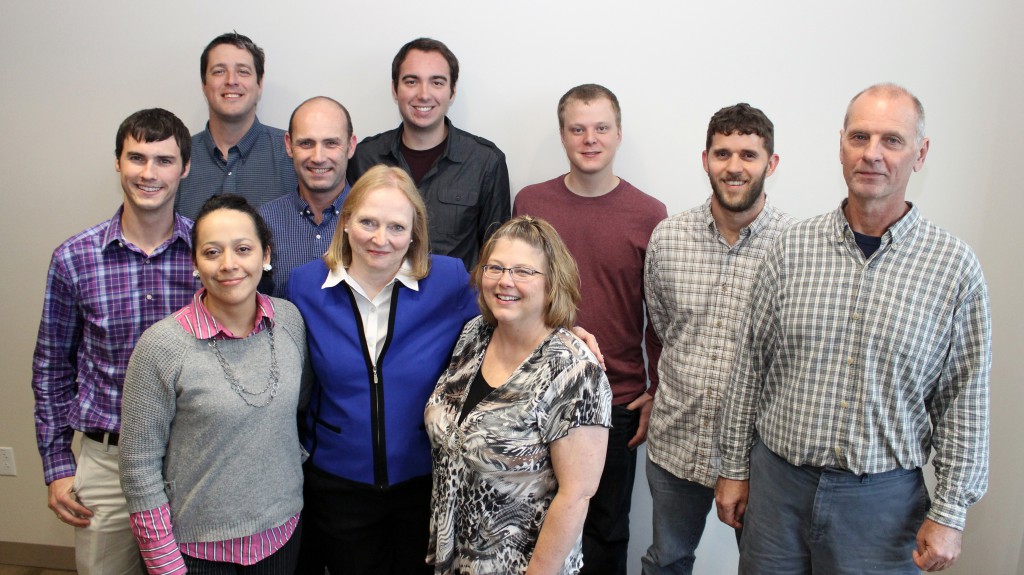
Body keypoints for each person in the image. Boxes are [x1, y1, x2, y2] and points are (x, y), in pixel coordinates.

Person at [716, 84, 991, 574]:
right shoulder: (790, 249)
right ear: (841, 144)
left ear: (920, 154)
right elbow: (748, 369)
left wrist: (950, 512)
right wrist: (734, 469)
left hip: (882, 507)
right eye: (859, 137)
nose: (872, 155)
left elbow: (964, 399)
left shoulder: (954, 269)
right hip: (778, 490)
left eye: (892, 140)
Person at [287, 165, 478, 575]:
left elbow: (510, 323)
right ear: (345, 222)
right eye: (368, 222)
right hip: (338, 485)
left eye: (396, 226)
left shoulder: (448, 280)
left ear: (414, 233)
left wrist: (568, 336)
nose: (380, 238)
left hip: (424, 482)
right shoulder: (303, 285)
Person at [31, 108, 198, 574]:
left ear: (184, 167)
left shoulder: (208, 255)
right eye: (136, 158)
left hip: (192, 457)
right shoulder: (74, 258)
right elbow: (51, 367)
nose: (149, 173)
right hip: (109, 462)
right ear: (117, 162)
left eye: (164, 160)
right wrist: (58, 464)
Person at [513, 83, 666, 575]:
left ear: (618, 134)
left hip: (615, 400)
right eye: (577, 129)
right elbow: (510, 295)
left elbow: (658, 313)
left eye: (601, 128)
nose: (590, 139)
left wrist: (655, 387)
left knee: (606, 531)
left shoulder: (650, 214)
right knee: (535, 529)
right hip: (535, 395)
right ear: (563, 135)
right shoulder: (532, 202)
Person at [641, 103, 795, 574]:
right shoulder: (668, 238)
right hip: (675, 442)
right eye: (722, 153)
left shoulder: (797, 247)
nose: (734, 167)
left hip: (758, 454)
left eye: (748, 155)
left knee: (764, 566)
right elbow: (664, 326)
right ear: (705, 159)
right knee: (666, 559)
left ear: (771, 164)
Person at [119, 194, 310, 574]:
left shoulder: (290, 321)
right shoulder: (162, 346)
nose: (229, 265)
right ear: (194, 262)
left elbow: (295, 411)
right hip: (196, 553)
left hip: (282, 537)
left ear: (265, 255)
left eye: (243, 249)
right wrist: (164, 564)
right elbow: (138, 466)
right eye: (211, 252)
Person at [425, 215, 612, 575]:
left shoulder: (575, 372)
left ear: (552, 283)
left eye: (523, 271)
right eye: (495, 267)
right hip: (456, 557)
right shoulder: (475, 335)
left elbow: (575, 496)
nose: (505, 281)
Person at [350, 37, 511, 271]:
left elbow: (497, 255)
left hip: (454, 304)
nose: (424, 94)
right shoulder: (364, 157)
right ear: (395, 89)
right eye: (411, 81)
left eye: (436, 82)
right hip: (375, 301)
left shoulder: (486, 162)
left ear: (452, 91)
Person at [176, 32, 296, 220]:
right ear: (204, 85)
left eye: (243, 71)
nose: (231, 81)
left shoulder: (292, 157)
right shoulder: (177, 158)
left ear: (259, 85)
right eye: (219, 71)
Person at [259, 96, 357, 298]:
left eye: (331, 143)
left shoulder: (376, 221)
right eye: (306, 143)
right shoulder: (262, 222)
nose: (318, 157)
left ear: (351, 145)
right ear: (288, 145)